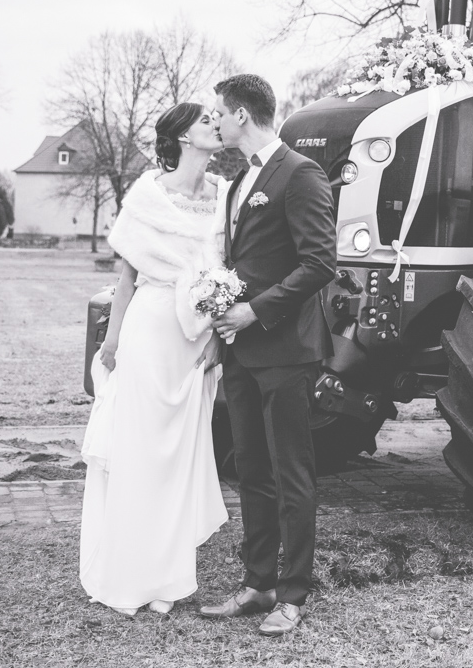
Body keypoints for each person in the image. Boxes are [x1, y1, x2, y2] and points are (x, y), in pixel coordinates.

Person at [79, 102, 228, 617]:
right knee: (141, 453)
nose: (217, 123)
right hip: (148, 330)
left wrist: (219, 339)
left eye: (217, 117)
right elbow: (127, 277)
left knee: (181, 457)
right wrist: (112, 341)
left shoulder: (225, 195)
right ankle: (130, 572)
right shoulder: (147, 192)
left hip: (197, 337)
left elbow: (233, 271)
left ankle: (168, 576)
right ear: (184, 136)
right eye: (206, 119)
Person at [200, 74, 336, 636]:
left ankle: (294, 593)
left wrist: (255, 311)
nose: (214, 121)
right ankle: (257, 584)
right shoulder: (237, 182)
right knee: (251, 470)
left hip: (284, 348)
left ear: (241, 116)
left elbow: (319, 262)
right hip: (241, 352)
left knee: (291, 473)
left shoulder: (300, 174)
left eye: (218, 113)